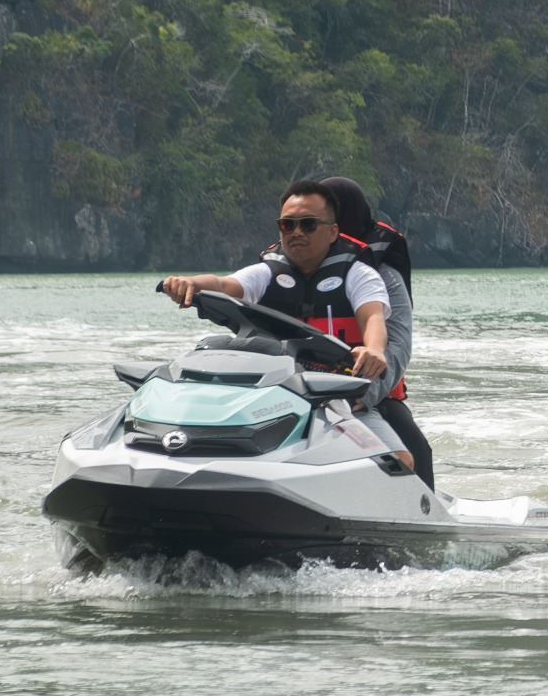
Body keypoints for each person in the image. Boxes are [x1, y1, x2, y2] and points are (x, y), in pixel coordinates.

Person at [160, 179, 432, 488]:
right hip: (281, 389)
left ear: (334, 229)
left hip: (354, 391)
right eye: (288, 225)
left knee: (410, 455)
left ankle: (418, 516)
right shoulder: (271, 270)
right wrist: (191, 284)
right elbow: (225, 285)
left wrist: (370, 371)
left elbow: (380, 327)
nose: (298, 232)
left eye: (309, 224)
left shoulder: (369, 274)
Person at [316, 174, 431, 493]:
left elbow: (397, 345)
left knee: (416, 453)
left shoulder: (383, 274)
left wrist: (363, 398)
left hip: (373, 396)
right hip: (303, 392)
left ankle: (427, 522)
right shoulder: (295, 270)